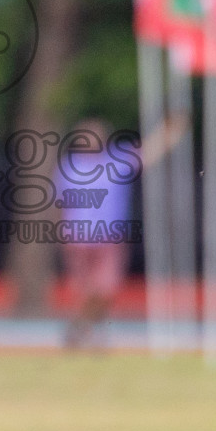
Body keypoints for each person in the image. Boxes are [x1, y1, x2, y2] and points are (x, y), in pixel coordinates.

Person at [54, 118, 134, 350]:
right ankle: (93, 334)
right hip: (79, 237)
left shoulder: (116, 161)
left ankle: (78, 327)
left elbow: (147, 152)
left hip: (110, 237)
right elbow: (61, 204)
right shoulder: (69, 166)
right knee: (85, 290)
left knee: (106, 288)